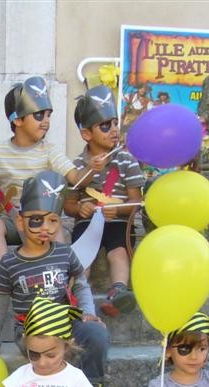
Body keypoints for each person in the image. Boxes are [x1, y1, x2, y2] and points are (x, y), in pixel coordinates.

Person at [0, 170, 110, 387]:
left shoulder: (64, 253)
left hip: (65, 320)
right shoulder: (9, 263)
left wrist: (87, 313)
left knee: (96, 334)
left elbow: (81, 284)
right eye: (36, 220)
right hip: (31, 329)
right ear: (21, 222)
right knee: (48, 347)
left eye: (53, 221)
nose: (45, 228)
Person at [64, 85, 145, 316]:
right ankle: (76, 295)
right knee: (83, 257)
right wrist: (80, 208)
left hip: (118, 222)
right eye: (105, 126)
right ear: (87, 134)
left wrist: (117, 209)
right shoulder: (77, 165)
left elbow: (136, 203)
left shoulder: (127, 161)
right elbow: (68, 205)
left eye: (115, 123)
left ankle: (118, 292)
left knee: (117, 252)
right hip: (87, 223)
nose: (114, 130)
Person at [0, 77, 80, 264]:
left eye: (48, 115)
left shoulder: (50, 151)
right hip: (10, 220)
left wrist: (93, 167)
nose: (46, 121)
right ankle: (5, 270)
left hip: (41, 219)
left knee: (56, 226)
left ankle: (61, 269)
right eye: (39, 115)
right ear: (17, 119)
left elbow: (74, 177)